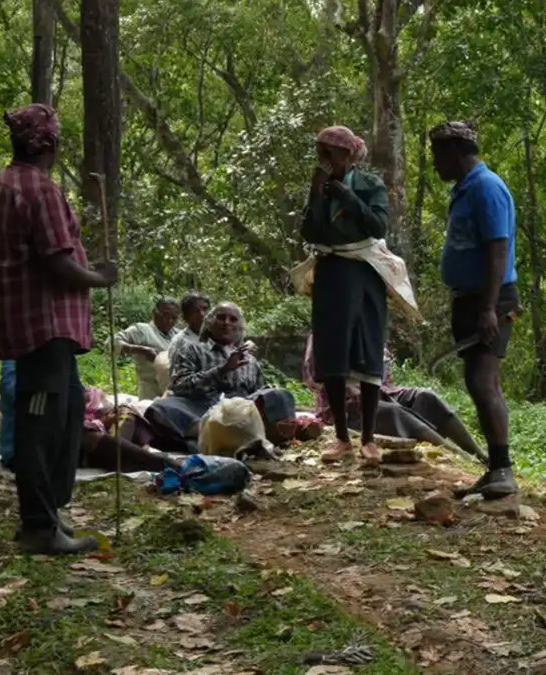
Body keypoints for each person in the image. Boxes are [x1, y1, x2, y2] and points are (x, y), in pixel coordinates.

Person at [0, 104, 118, 555]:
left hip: (28, 323)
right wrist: (100, 278)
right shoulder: (39, 190)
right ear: (50, 144)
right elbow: (58, 262)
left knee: (66, 408)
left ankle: (48, 511)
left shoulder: (0, 185)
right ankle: (39, 525)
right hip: (44, 325)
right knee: (40, 421)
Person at [433, 120, 520, 499]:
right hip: (470, 299)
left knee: (483, 382)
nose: (434, 163)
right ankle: (496, 468)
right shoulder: (465, 189)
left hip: (491, 300)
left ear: (454, 152)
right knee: (478, 381)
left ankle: (503, 470)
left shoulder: (486, 187)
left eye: (437, 155)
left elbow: (498, 249)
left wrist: (488, 308)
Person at [300, 125, 392, 465]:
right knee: (332, 352)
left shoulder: (370, 184)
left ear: (349, 155)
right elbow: (309, 232)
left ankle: (368, 438)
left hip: (364, 271)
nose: (323, 160)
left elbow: (378, 226)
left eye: (330, 153)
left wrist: (347, 197)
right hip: (332, 273)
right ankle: (341, 437)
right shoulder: (319, 186)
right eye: (320, 152)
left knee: (368, 348)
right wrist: (316, 193)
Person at [302, 336, 485, 459]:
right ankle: (458, 454)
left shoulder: (370, 326)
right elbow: (312, 377)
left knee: (426, 397)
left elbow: (384, 377)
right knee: (394, 412)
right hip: (346, 406)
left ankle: (480, 454)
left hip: (382, 392)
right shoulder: (325, 329)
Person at [144, 303, 282, 450]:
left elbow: (259, 393)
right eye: (221, 317)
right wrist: (222, 370)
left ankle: (212, 439)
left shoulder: (249, 360)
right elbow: (180, 386)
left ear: (239, 327)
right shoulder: (191, 349)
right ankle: (215, 435)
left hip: (241, 413)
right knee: (160, 408)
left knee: (279, 395)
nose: (226, 323)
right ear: (209, 323)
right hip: (200, 409)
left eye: (233, 319)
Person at [115, 298, 184, 399]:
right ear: (155, 313)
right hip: (151, 394)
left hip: (176, 393)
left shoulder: (178, 334)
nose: (169, 321)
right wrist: (142, 350)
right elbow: (112, 342)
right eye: (165, 315)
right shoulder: (142, 330)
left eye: (174, 318)